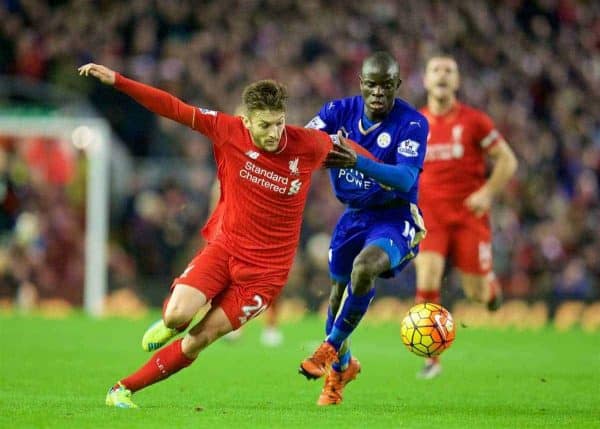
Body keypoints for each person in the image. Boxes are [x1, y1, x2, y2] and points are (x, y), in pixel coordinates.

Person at [78, 62, 379, 408]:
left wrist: (404, 189)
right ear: (247, 121)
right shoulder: (226, 129)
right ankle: (170, 322)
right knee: (177, 316)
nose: (275, 133)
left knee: (199, 339)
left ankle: (122, 389)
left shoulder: (307, 144)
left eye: (279, 123)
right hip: (224, 250)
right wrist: (118, 80)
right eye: (265, 125)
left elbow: (358, 153)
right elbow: (174, 108)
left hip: (264, 275)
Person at [301, 51, 429, 405]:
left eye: (386, 86)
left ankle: (329, 348)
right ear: (361, 84)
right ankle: (343, 368)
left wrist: (357, 159)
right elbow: (301, 141)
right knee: (336, 296)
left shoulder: (413, 123)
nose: (377, 92)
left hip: (395, 215)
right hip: (354, 215)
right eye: (371, 84)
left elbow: (404, 178)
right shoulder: (336, 113)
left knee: (364, 267)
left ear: (397, 86)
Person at [414, 55, 518, 379]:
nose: (442, 75)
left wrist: (487, 192)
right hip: (430, 215)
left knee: (475, 292)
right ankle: (432, 358)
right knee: (427, 278)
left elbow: (508, 161)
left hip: (469, 215)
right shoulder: (415, 124)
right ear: (426, 80)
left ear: (457, 82)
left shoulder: (475, 122)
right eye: (436, 70)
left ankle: (490, 292)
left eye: (449, 70)